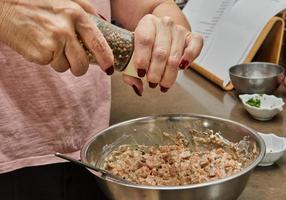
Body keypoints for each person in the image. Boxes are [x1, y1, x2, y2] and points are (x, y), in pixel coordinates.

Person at [0, 0, 203, 199]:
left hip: (91, 143)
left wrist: (166, 31)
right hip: (10, 150)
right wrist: (5, 13)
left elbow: (152, 6)